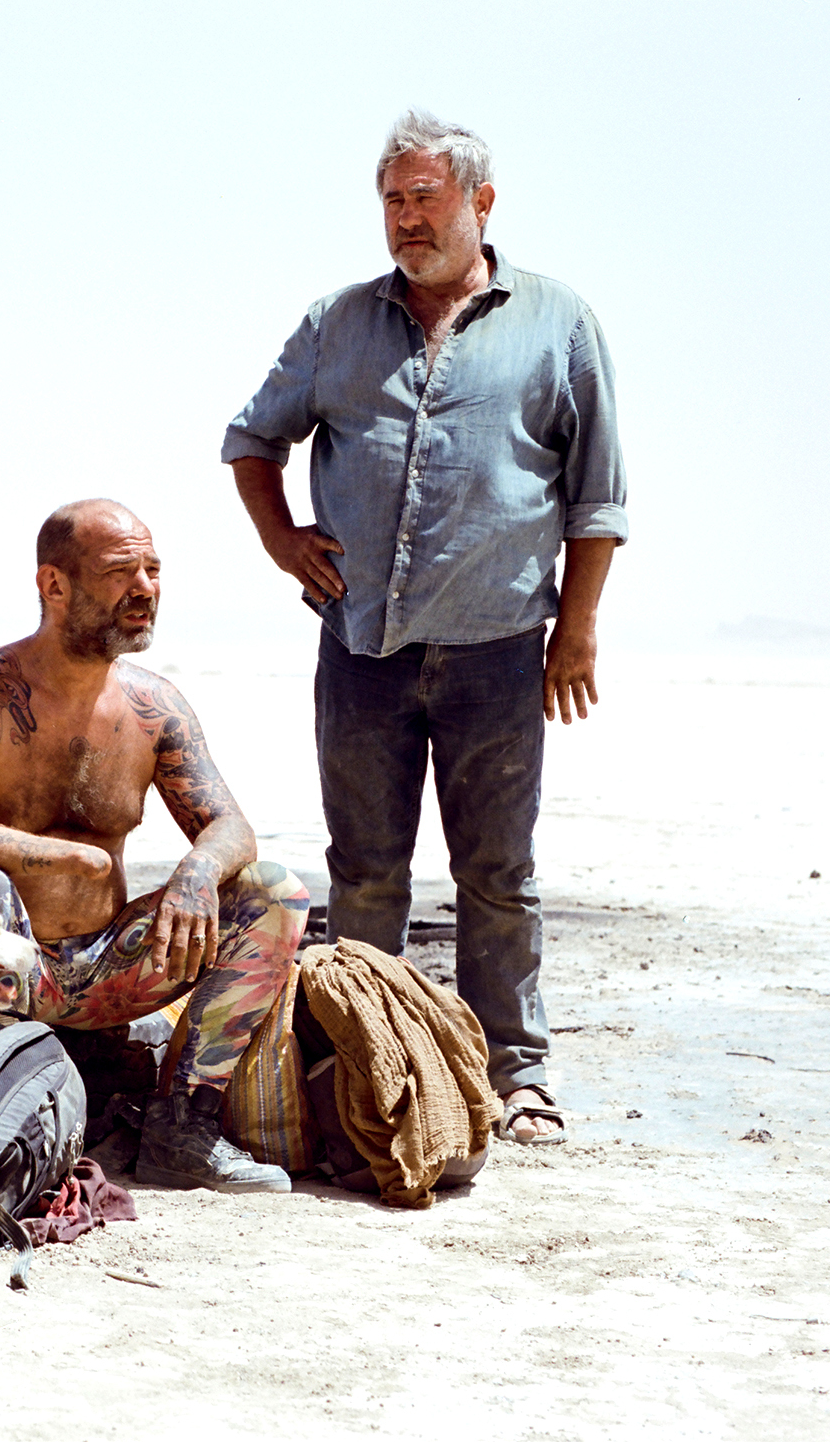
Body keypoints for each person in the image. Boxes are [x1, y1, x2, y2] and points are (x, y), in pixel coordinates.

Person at [223, 109, 628, 1147]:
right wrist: (281, 543)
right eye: (392, 202)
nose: (405, 219)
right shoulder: (336, 322)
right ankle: (362, 1062)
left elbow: (595, 497)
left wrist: (572, 634)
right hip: (360, 649)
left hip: (498, 650)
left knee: (498, 872)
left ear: (479, 203)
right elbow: (249, 439)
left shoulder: (556, 321)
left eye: (424, 199)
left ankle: (516, 1074)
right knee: (363, 870)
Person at [0, 499, 309, 1193]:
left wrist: (196, 871)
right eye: (123, 570)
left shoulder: (155, 706)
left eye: (154, 569)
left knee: (271, 890)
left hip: (108, 972)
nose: (146, 587)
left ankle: (184, 1130)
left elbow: (232, 827)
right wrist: (72, 858)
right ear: (54, 585)